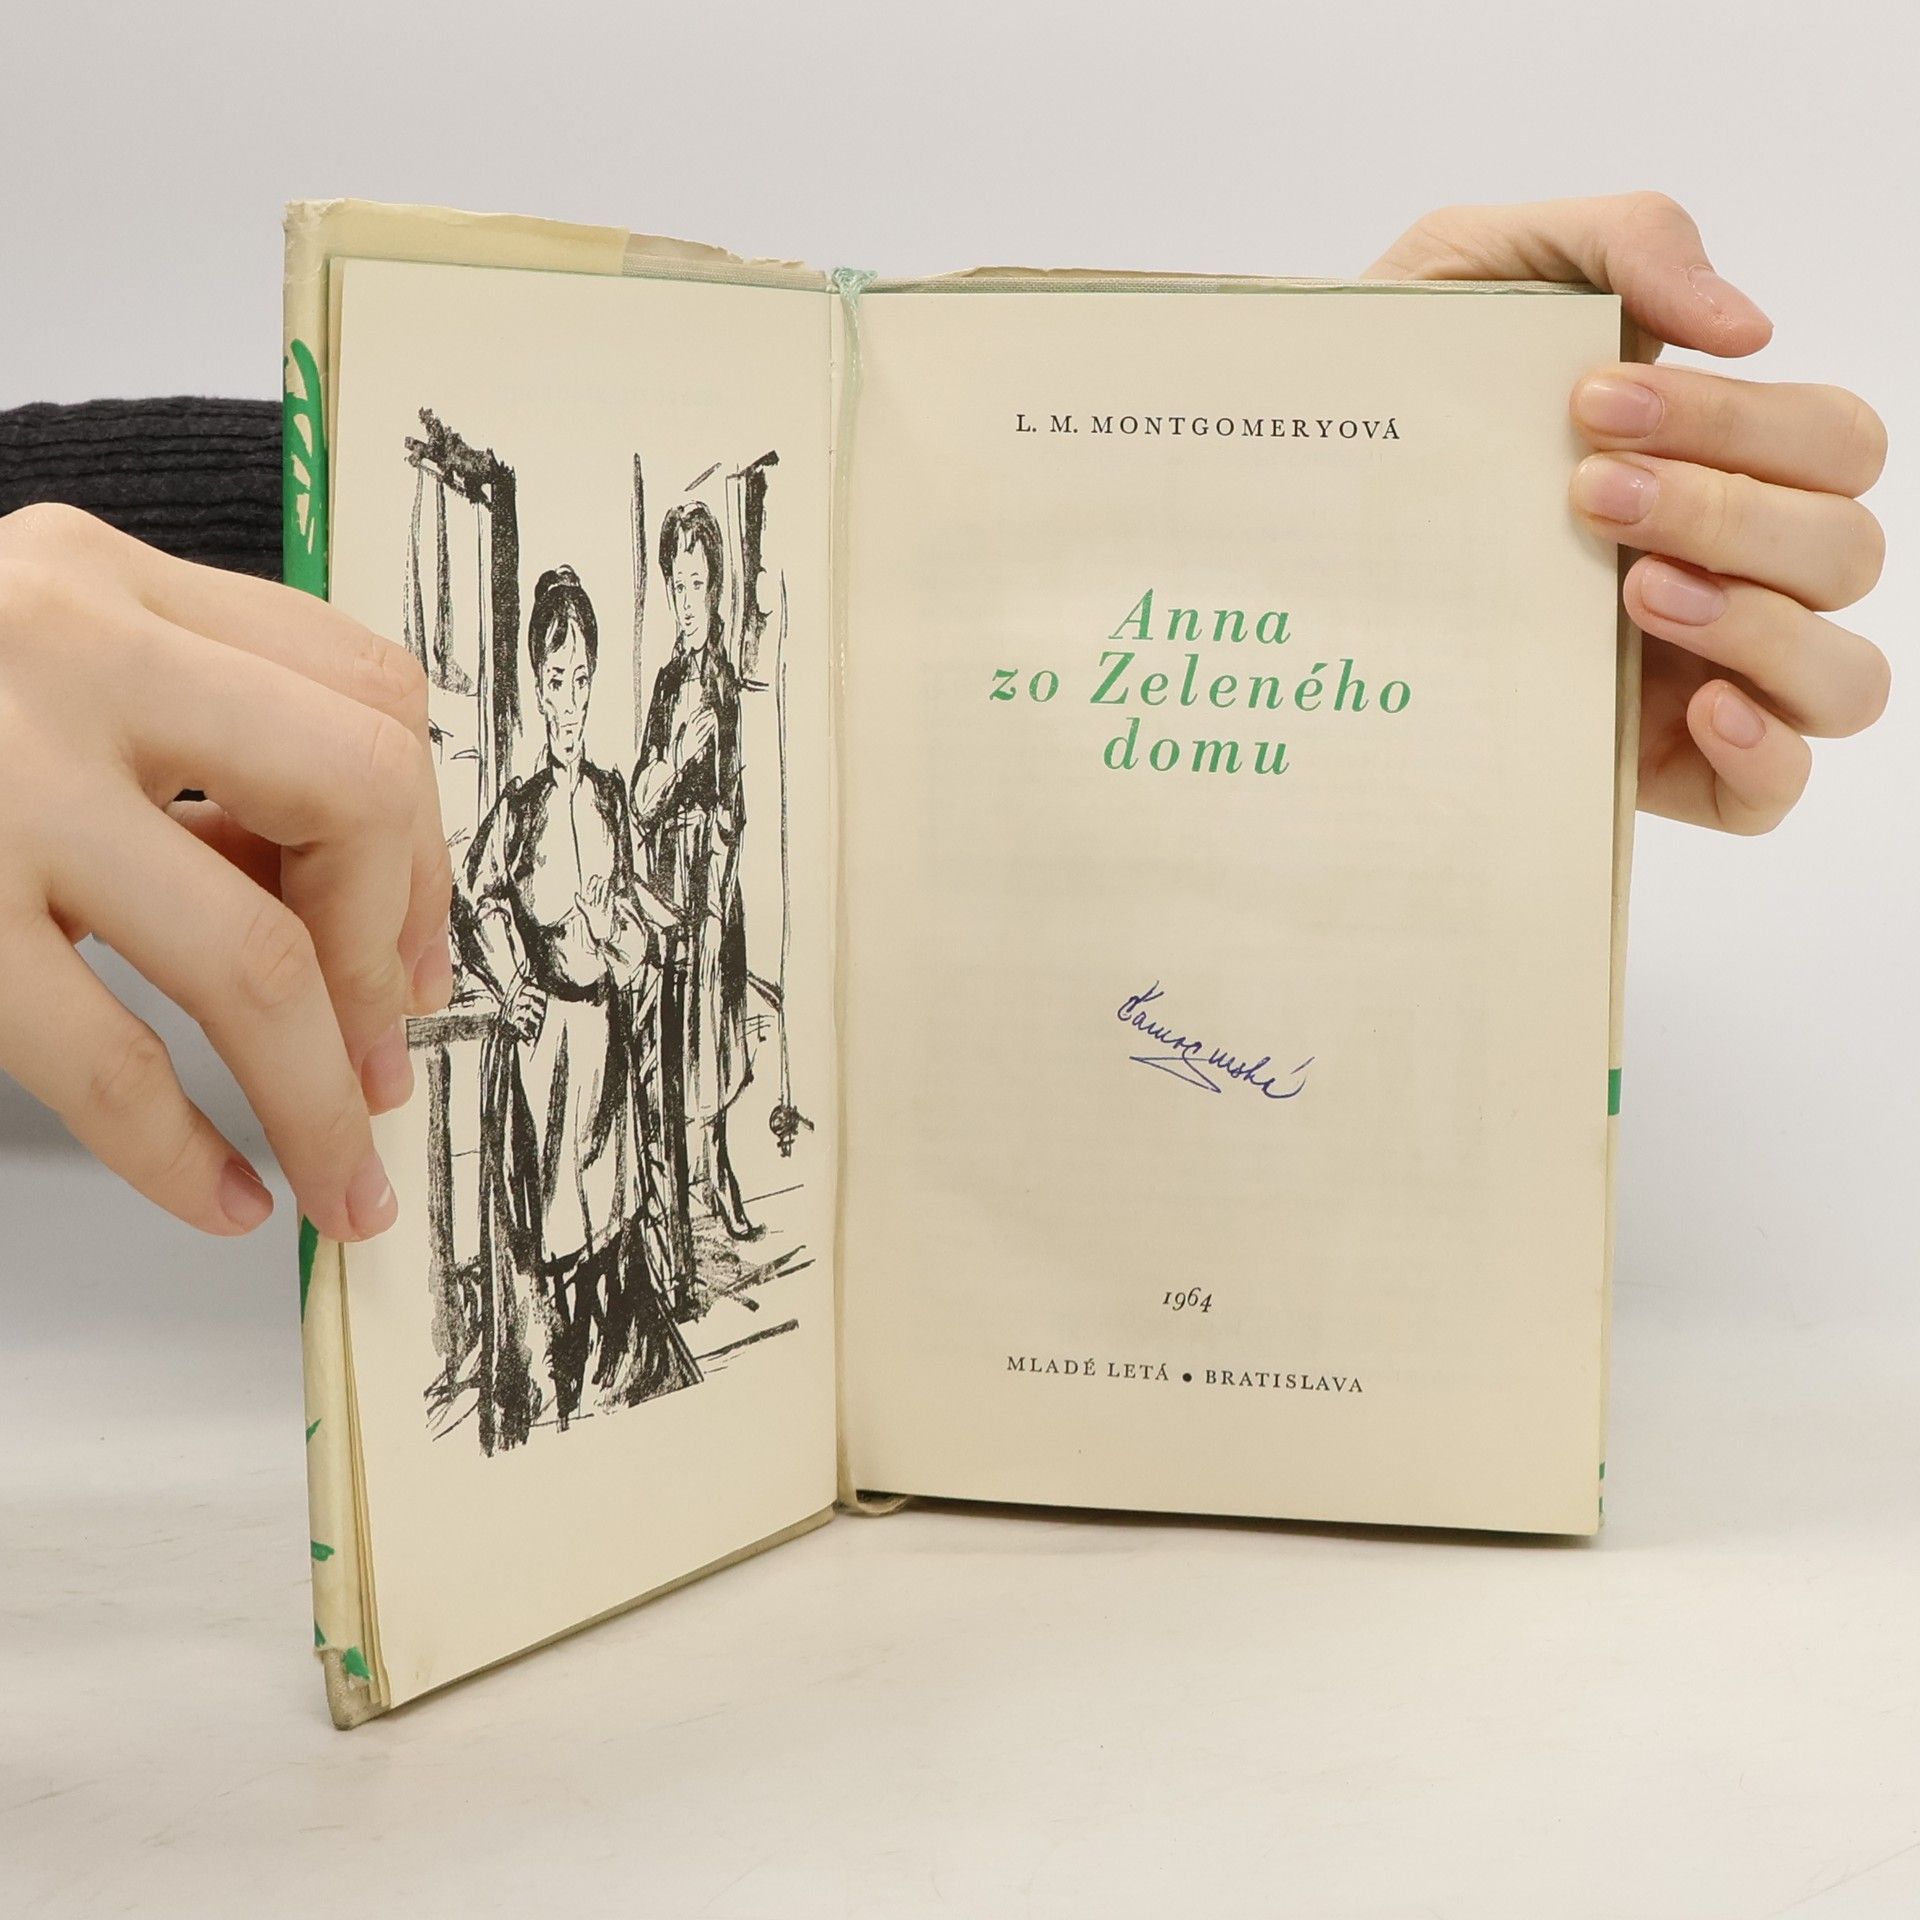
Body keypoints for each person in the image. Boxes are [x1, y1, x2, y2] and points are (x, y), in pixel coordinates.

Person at [0, 195, 1891, 1242]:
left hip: (650, 960)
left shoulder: (656, 721)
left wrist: (1310, 486)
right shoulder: (563, 778)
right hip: (568, 1001)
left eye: (594, 663)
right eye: (565, 668)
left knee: (686, 1087)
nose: (579, 688)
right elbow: (505, 887)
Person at [456, 566, 699, 1445]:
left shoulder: (609, 796)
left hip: (605, 1043)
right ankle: (552, 1398)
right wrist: (511, 983)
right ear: (535, 686)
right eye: (555, 681)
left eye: (581, 679)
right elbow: (474, 898)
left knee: (610, 1223)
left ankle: (609, 1398)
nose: (569, 701)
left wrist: (617, 932)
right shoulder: (518, 811)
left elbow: (633, 928)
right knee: (552, 1235)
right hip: (546, 1052)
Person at [631, 501, 760, 1242]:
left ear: (717, 590)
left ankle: (718, 1167)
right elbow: (642, 795)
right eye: (676, 586)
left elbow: (735, 791)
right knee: (673, 1026)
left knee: (718, 1017)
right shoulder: (664, 685)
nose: (686, 602)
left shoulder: (727, 685)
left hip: (713, 872)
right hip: (669, 877)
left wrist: (724, 838)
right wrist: (676, 757)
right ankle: (676, 1182)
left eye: (697, 585)